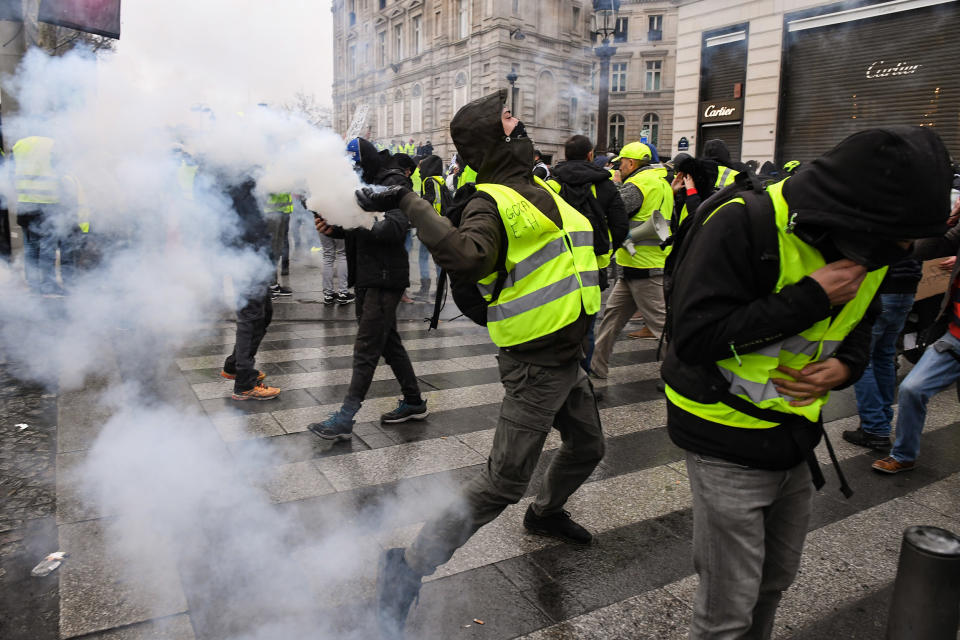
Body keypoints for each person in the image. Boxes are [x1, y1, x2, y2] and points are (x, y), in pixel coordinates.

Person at [661, 126, 952, 638]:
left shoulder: (878, 243)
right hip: (723, 437)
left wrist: (846, 367)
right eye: (892, 240)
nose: (897, 252)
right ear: (855, 215)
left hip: (795, 435)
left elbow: (864, 320)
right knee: (727, 611)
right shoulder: (742, 222)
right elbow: (694, 337)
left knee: (774, 581)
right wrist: (812, 298)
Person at [357, 91, 605, 639]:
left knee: (589, 447)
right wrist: (407, 202)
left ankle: (546, 514)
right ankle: (409, 566)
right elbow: (467, 255)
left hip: (567, 357)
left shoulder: (542, 189)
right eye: (510, 123)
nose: (521, 127)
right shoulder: (489, 200)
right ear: (493, 140)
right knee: (500, 483)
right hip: (535, 363)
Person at [307, 138, 427, 439]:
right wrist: (333, 227)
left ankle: (346, 418)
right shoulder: (364, 181)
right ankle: (413, 401)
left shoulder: (394, 182)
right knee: (389, 343)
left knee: (366, 347)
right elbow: (355, 227)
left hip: (385, 277)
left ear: (367, 162)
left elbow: (395, 227)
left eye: (356, 166)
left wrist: (356, 216)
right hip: (367, 275)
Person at [872, 193, 960, 473]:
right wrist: (949, 220)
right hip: (955, 336)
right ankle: (904, 455)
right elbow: (926, 248)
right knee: (912, 388)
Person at [589, 141, 673, 375]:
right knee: (611, 320)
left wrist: (614, 187)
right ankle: (596, 367)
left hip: (643, 266)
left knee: (662, 327)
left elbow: (616, 210)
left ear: (631, 163)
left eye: (621, 164)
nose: (619, 168)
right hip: (640, 264)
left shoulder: (638, 184)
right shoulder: (662, 182)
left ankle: (682, 373)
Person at [548, 134, 628, 371]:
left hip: (556, 265)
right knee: (586, 326)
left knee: (557, 323)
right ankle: (583, 380)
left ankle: (558, 377)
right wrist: (607, 249)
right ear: (590, 155)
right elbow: (621, 226)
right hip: (593, 267)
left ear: (565, 154)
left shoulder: (552, 183)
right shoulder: (605, 184)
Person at [843, 257, 921, 450]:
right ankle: (882, 420)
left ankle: (874, 427)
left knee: (863, 359)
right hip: (907, 289)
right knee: (885, 356)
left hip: (882, 287)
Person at [220, 172, 282, 401]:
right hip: (245, 258)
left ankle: (234, 365)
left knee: (263, 314)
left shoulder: (239, 179)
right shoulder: (234, 179)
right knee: (251, 317)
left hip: (254, 256)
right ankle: (245, 382)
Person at [12, 136, 68, 296]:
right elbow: (62, 171)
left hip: (24, 202)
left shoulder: (19, 145)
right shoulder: (51, 144)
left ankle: (34, 283)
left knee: (30, 245)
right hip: (47, 202)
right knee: (47, 247)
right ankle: (48, 284)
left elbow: (11, 171)